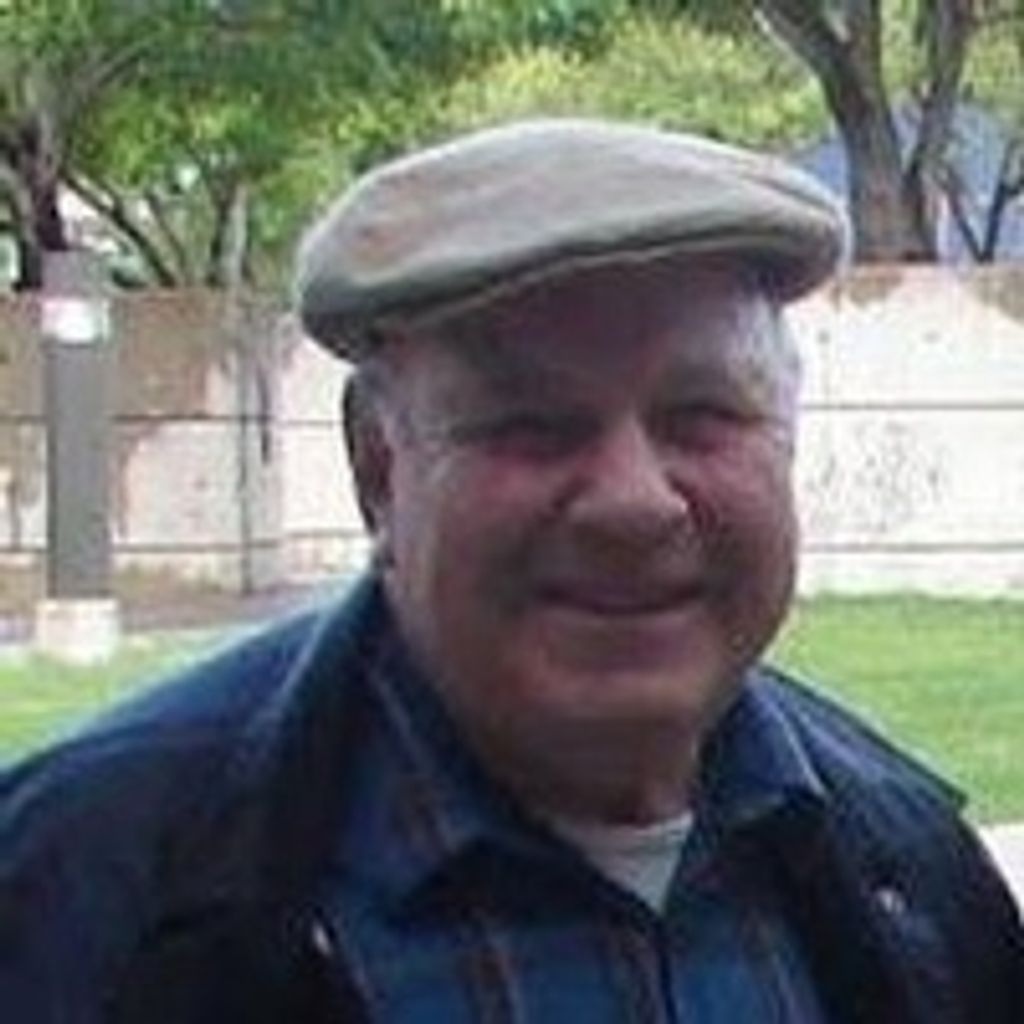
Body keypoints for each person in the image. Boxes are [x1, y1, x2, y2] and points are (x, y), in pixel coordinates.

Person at [2, 119, 1021, 1024]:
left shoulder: (911, 867)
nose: (634, 502)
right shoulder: (75, 897)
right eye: (533, 426)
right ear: (378, 469)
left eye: (702, 416)